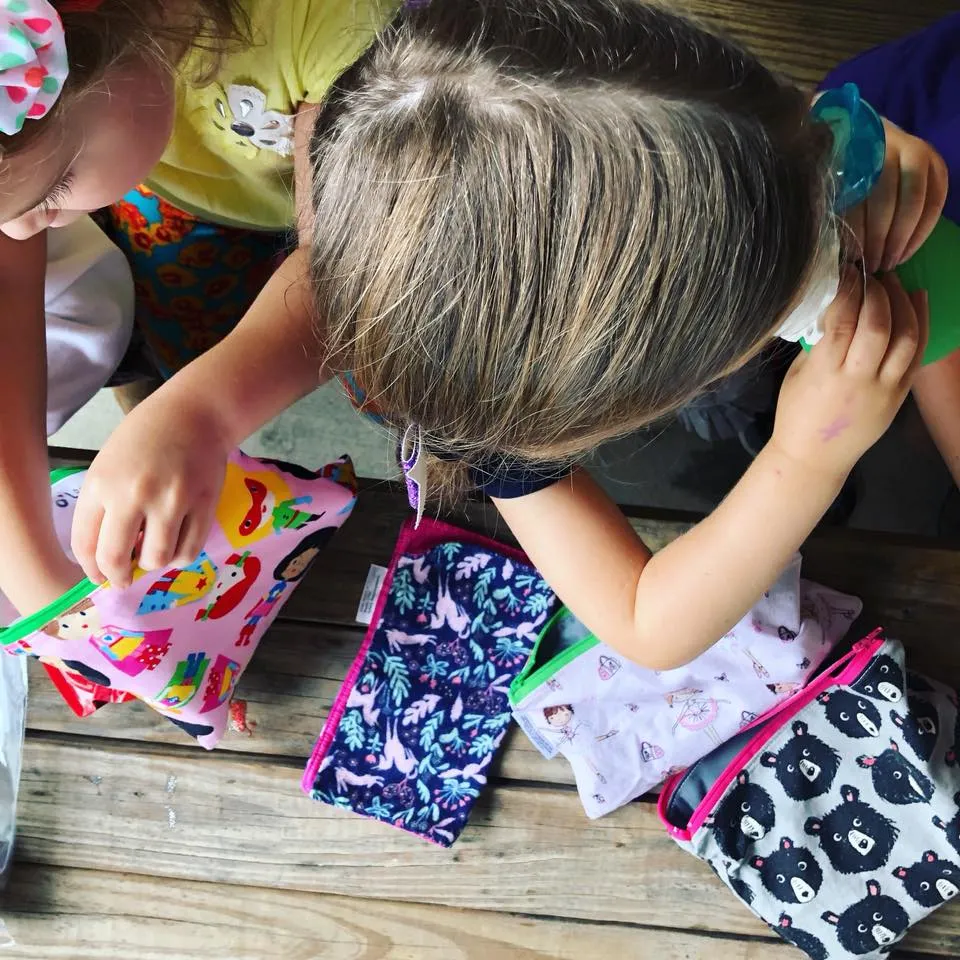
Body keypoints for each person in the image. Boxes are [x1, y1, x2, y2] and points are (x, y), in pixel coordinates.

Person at [301, 0, 941, 671]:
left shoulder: (581, 96)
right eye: (782, 297)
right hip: (741, 410)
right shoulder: (491, 411)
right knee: (737, 420)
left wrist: (847, 151)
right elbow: (646, 624)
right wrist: (806, 460)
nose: (829, 241)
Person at [0, 0, 391, 617]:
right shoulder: (97, 87)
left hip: (378, 214)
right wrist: (36, 580)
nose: (24, 234)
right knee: (180, 343)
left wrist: (204, 412)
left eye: (51, 194)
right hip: (192, 191)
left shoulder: (334, 23)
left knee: (394, 371)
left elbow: (353, 265)